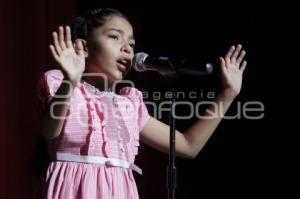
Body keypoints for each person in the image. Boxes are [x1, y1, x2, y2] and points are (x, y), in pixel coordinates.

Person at [37, 8, 247, 199]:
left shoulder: (129, 105)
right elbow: (49, 131)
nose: (127, 49)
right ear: (83, 46)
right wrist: (70, 81)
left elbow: (188, 145)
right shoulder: (63, 85)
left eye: (131, 44)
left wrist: (227, 94)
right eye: (114, 37)